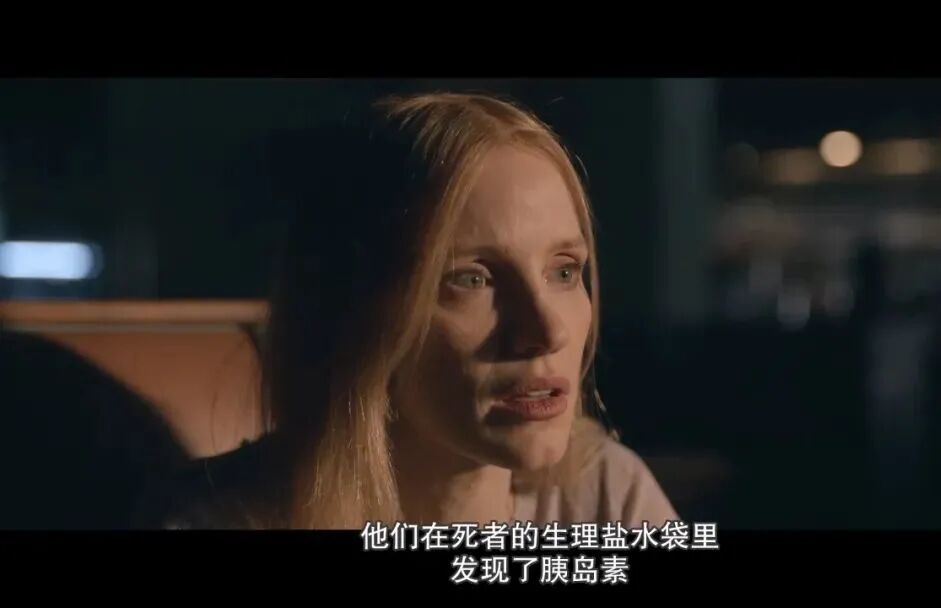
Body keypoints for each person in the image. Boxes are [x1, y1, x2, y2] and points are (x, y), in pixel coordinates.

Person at [141, 91, 678, 530]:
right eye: (471, 279)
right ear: (356, 313)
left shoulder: (605, 496)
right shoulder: (216, 520)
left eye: (563, 272)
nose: (547, 330)